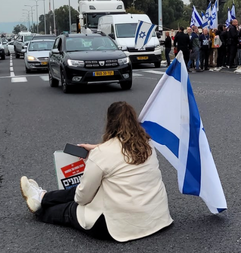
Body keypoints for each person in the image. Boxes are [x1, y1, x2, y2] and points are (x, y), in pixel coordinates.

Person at [19, 102, 173, 242]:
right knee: (98, 186)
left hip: (116, 227)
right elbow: (122, 154)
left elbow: (82, 198)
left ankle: (40, 202)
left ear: (110, 123)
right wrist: (96, 149)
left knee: (67, 207)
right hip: (156, 219)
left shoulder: (102, 153)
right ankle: (42, 196)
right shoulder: (148, 146)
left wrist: (96, 154)